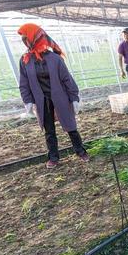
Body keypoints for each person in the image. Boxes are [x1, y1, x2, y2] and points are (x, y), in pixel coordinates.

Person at [17, 23, 88, 169]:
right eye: (23, 40)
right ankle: (54, 157)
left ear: (35, 38)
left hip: (60, 98)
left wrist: (74, 97)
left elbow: (66, 78)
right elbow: (24, 83)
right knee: (49, 131)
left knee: (70, 127)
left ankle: (80, 151)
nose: (25, 42)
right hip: (42, 100)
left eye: (26, 39)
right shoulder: (25, 60)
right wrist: (28, 101)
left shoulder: (55, 58)